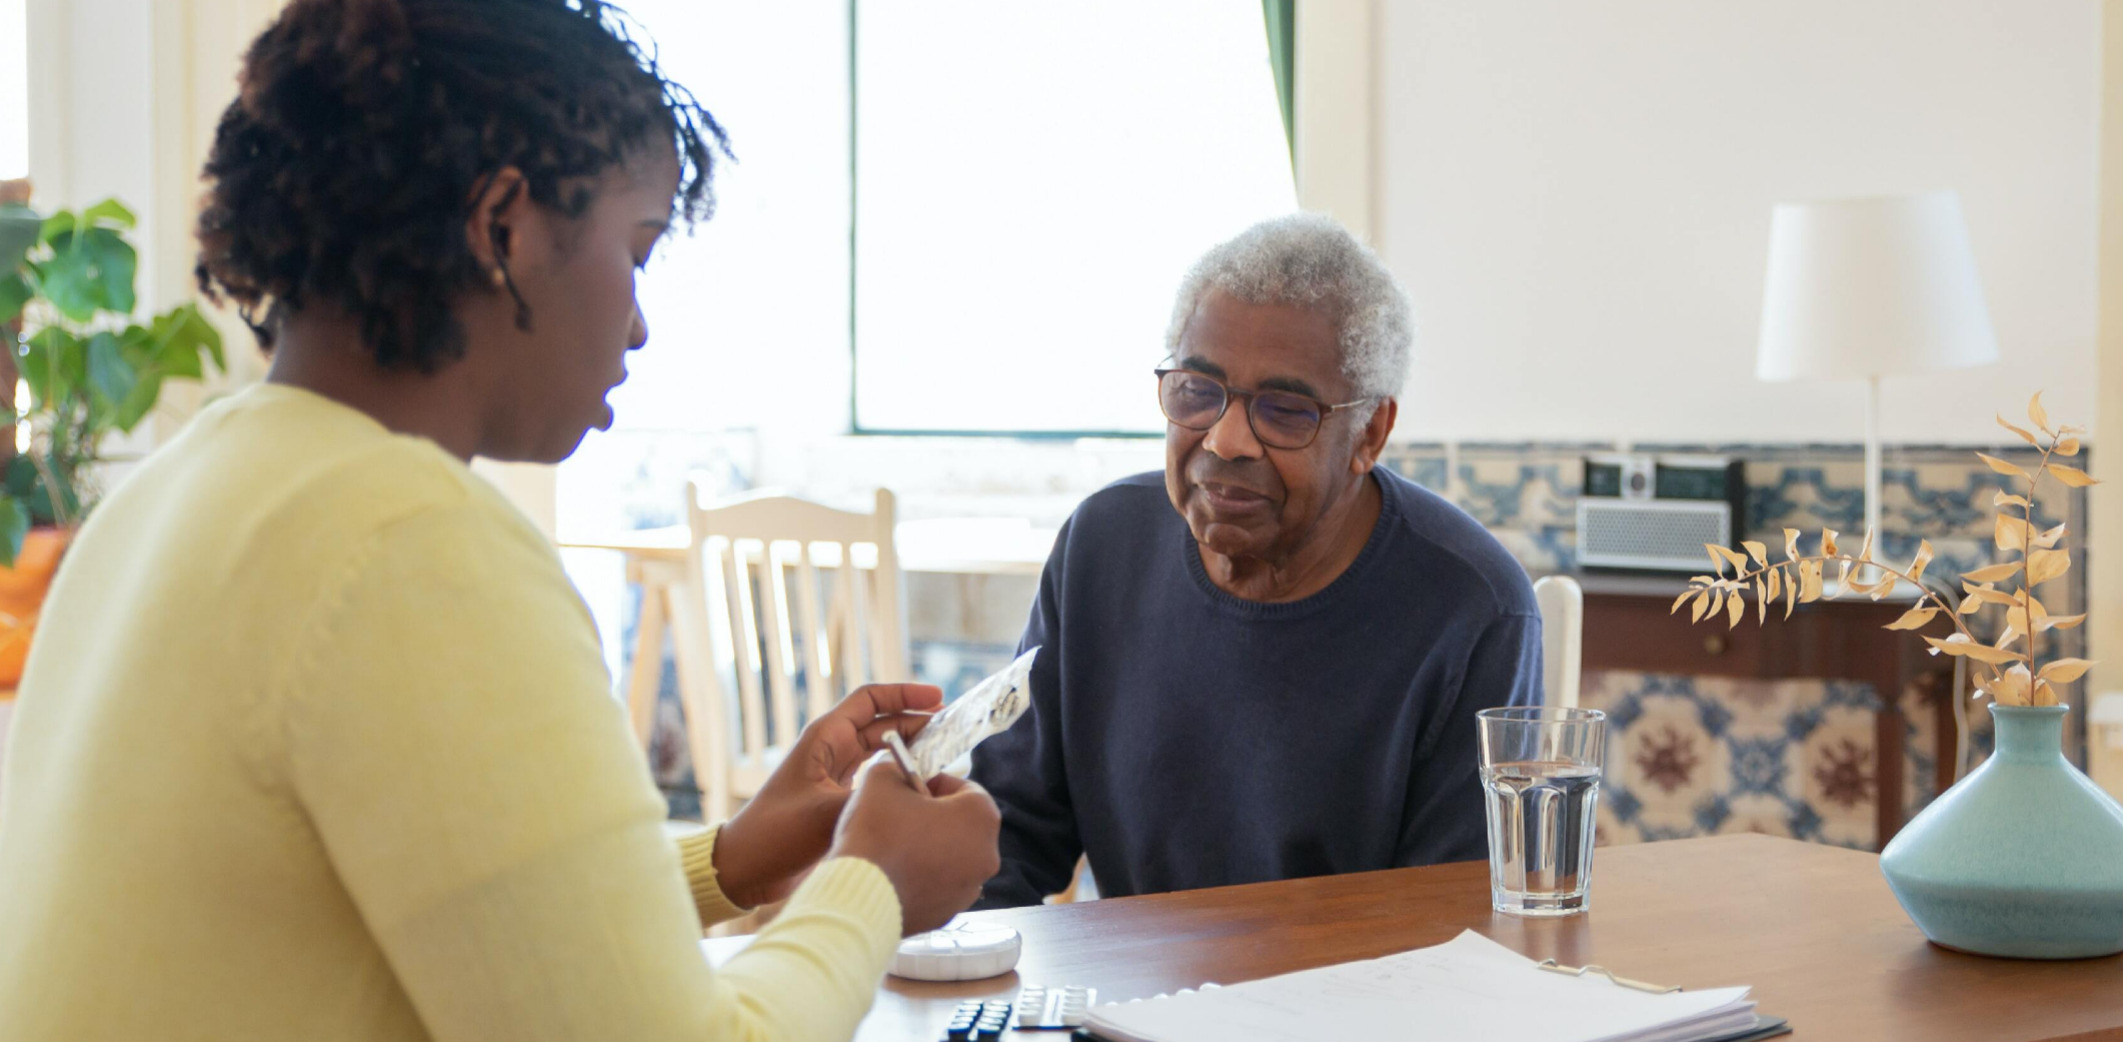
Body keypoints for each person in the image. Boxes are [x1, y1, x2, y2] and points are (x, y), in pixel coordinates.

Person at [0, 1, 998, 1039]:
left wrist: (735, 857)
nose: (641, 323)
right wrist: (871, 880)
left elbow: (472, 902)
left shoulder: (169, 496)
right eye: (638, 247)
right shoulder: (409, 543)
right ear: (503, 226)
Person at [969, 213, 1542, 908]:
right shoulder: (1101, 545)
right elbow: (1007, 840)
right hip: (1127, 1003)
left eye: (1284, 409)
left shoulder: (1473, 609)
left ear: (1370, 433)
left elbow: (1450, 920)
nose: (1227, 438)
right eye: (1196, 391)